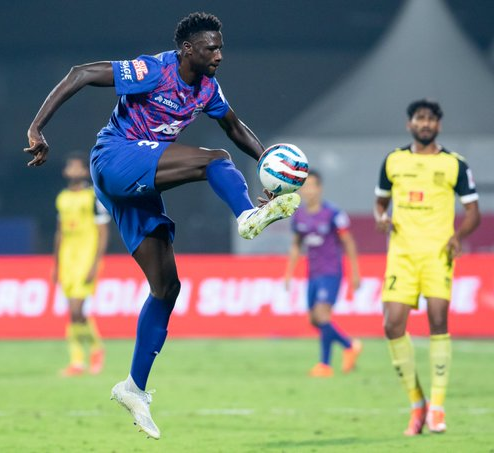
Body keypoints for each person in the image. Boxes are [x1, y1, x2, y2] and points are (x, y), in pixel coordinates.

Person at [24, 12, 300, 439]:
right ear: (187, 49)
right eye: (211, 48)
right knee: (215, 161)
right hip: (115, 158)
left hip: (135, 184)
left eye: (221, 48)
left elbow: (233, 126)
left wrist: (268, 166)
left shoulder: (207, 88)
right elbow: (81, 73)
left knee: (167, 287)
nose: (219, 55)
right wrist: (37, 127)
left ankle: (133, 388)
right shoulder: (154, 70)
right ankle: (246, 215)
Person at [374, 99, 480, 436]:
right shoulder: (393, 160)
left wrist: (458, 236)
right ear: (410, 124)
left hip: (437, 253)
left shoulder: (454, 164)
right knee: (392, 325)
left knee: (438, 321)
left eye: (431, 119)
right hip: (402, 254)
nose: (425, 124)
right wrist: (381, 218)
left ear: (438, 126)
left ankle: (437, 407)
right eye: (419, 118)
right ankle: (416, 403)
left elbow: (473, 211)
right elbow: (380, 203)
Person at [284, 169, 362, 378]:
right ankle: (349, 345)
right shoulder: (298, 215)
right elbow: (296, 245)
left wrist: (355, 273)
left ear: (320, 189)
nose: (309, 190)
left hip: (331, 271)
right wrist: (289, 273)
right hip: (313, 273)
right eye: (305, 186)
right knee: (314, 320)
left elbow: (348, 242)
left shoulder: (333, 214)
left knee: (322, 315)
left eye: (312, 186)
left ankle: (325, 365)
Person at [53, 152, 110, 377]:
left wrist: (95, 263)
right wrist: (56, 264)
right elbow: (59, 232)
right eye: (70, 167)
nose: (73, 170)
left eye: (77, 167)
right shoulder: (62, 198)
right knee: (72, 312)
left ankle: (95, 348)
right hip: (67, 258)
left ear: (86, 171)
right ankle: (77, 361)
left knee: (77, 309)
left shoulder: (93, 196)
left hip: (86, 256)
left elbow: (103, 231)